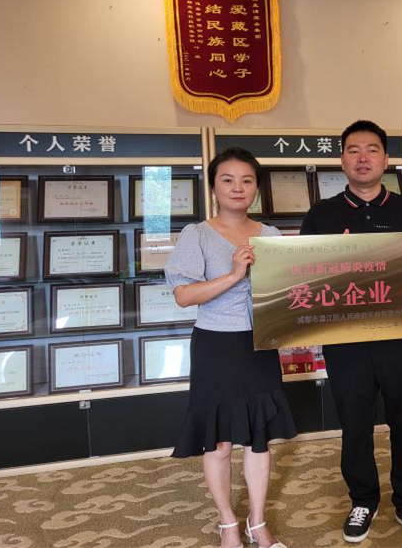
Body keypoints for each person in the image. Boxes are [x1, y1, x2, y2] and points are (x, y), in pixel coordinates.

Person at [300, 120, 402, 546]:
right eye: (354, 150)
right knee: (355, 424)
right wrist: (336, 259)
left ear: (386, 159)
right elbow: (302, 276)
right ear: (342, 159)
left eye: (372, 149)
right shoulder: (321, 214)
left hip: (401, 336)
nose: (363, 158)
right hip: (346, 341)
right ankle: (363, 499)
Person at [166, 147, 297, 548]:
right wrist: (235, 274)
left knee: (258, 438)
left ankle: (257, 522)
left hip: (260, 344)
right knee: (219, 442)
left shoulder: (271, 236)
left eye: (246, 180)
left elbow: (291, 291)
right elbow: (184, 296)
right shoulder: (197, 234)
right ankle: (228, 523)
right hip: (216, 345)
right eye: (227, 179)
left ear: (256, 188)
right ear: (213, 187)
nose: (237, 187)